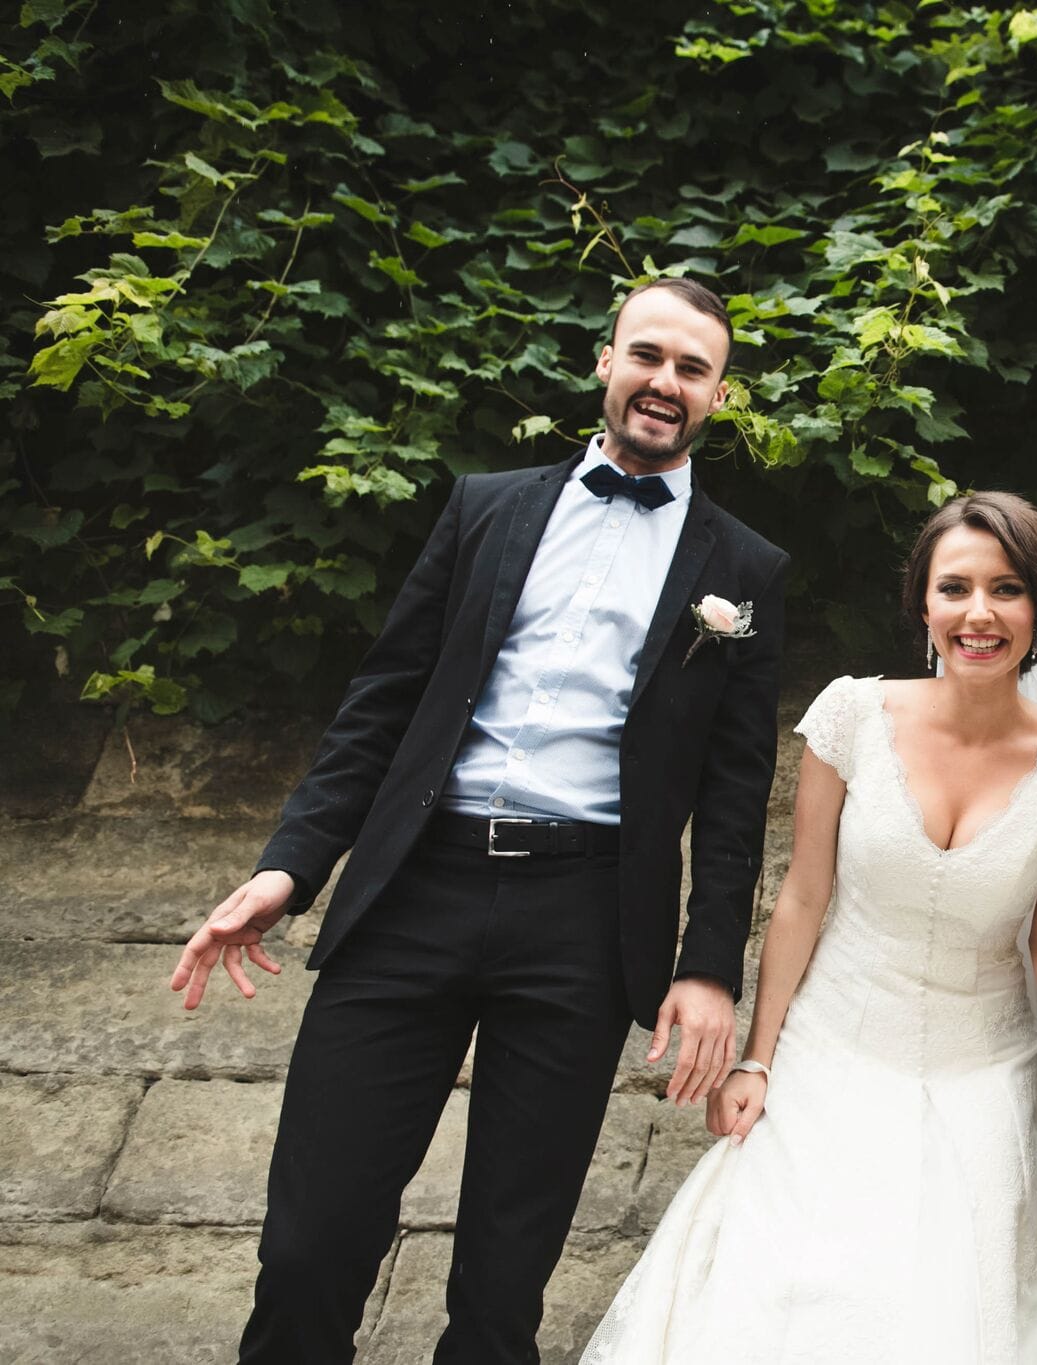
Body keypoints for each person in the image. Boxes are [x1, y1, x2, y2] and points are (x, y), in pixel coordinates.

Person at [167, 277, 789, 1363]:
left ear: (718, 398)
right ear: (606, 364)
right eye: (647, 355)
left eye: (692, 369)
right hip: (417, 888)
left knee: (506, 1270)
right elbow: (384, 699)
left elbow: (737, 793)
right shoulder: (485, 506)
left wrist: (707, 965)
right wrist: (291, 866)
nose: (664, 383)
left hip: (584, 919)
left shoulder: (745, 571)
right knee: (312, 1239)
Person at [579, 491, 1037, 1364]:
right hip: (827, 1056)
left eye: (1008, 588)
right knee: (789, 1300)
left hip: (981, 1072)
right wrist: (757, 1059)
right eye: (955, 587)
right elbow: (803, 897)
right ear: (924, 604)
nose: (979, 613)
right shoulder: (852, 715)